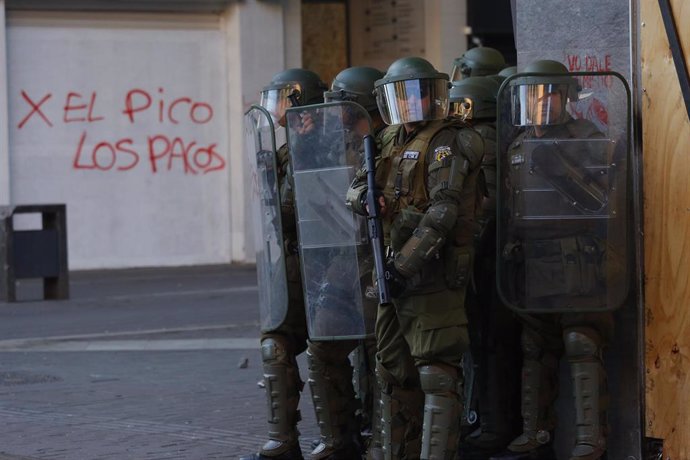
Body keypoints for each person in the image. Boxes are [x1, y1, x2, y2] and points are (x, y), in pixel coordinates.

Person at [347, 57, 485, 460]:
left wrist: (404, 266)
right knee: (391, 369)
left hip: (433, 271)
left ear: (433, 95)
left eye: (418, 93)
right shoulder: (387, 137)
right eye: (401, 95)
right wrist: (366, 198)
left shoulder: (449, 140)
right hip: (390, 265)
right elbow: (354, 188)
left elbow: (444, 212)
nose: (410, 103)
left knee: (436, 369)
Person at [496, 60, 629, 460]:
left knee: (581, 341)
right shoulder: (517, 145)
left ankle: (591, 437)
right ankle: (536, 431)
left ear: (565, 99)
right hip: (531, 263)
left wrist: (562, 166)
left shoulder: (586, 137)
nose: (538, 104)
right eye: (530, 96)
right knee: (535, 346)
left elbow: (603, 199)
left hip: (576, 260)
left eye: (548, 95)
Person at [241, 68, 327, 460]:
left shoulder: (323, 145)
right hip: (292, 260)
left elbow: (298, 208)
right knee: (276, 345)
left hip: (326, 264)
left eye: (282, 99)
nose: (275, 110)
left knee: (328, 354)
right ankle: (283, 440)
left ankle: (340, 439)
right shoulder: (286, 148)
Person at [301, 66, 386, 460]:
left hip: (379, 260)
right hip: (343, 259)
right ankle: (340, 437)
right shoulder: (339, 145)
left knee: (381, 352)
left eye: (342, 106)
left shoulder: (391, 144)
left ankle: (383, 442)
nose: (334, 115)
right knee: (323, 345)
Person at [447, 77, 522, 457]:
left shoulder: (484, 141)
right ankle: (489, 422)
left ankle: (491, 424)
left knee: (489, 344)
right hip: (493, 259)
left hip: (488, 261)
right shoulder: (493, 137)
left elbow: (484, 205)